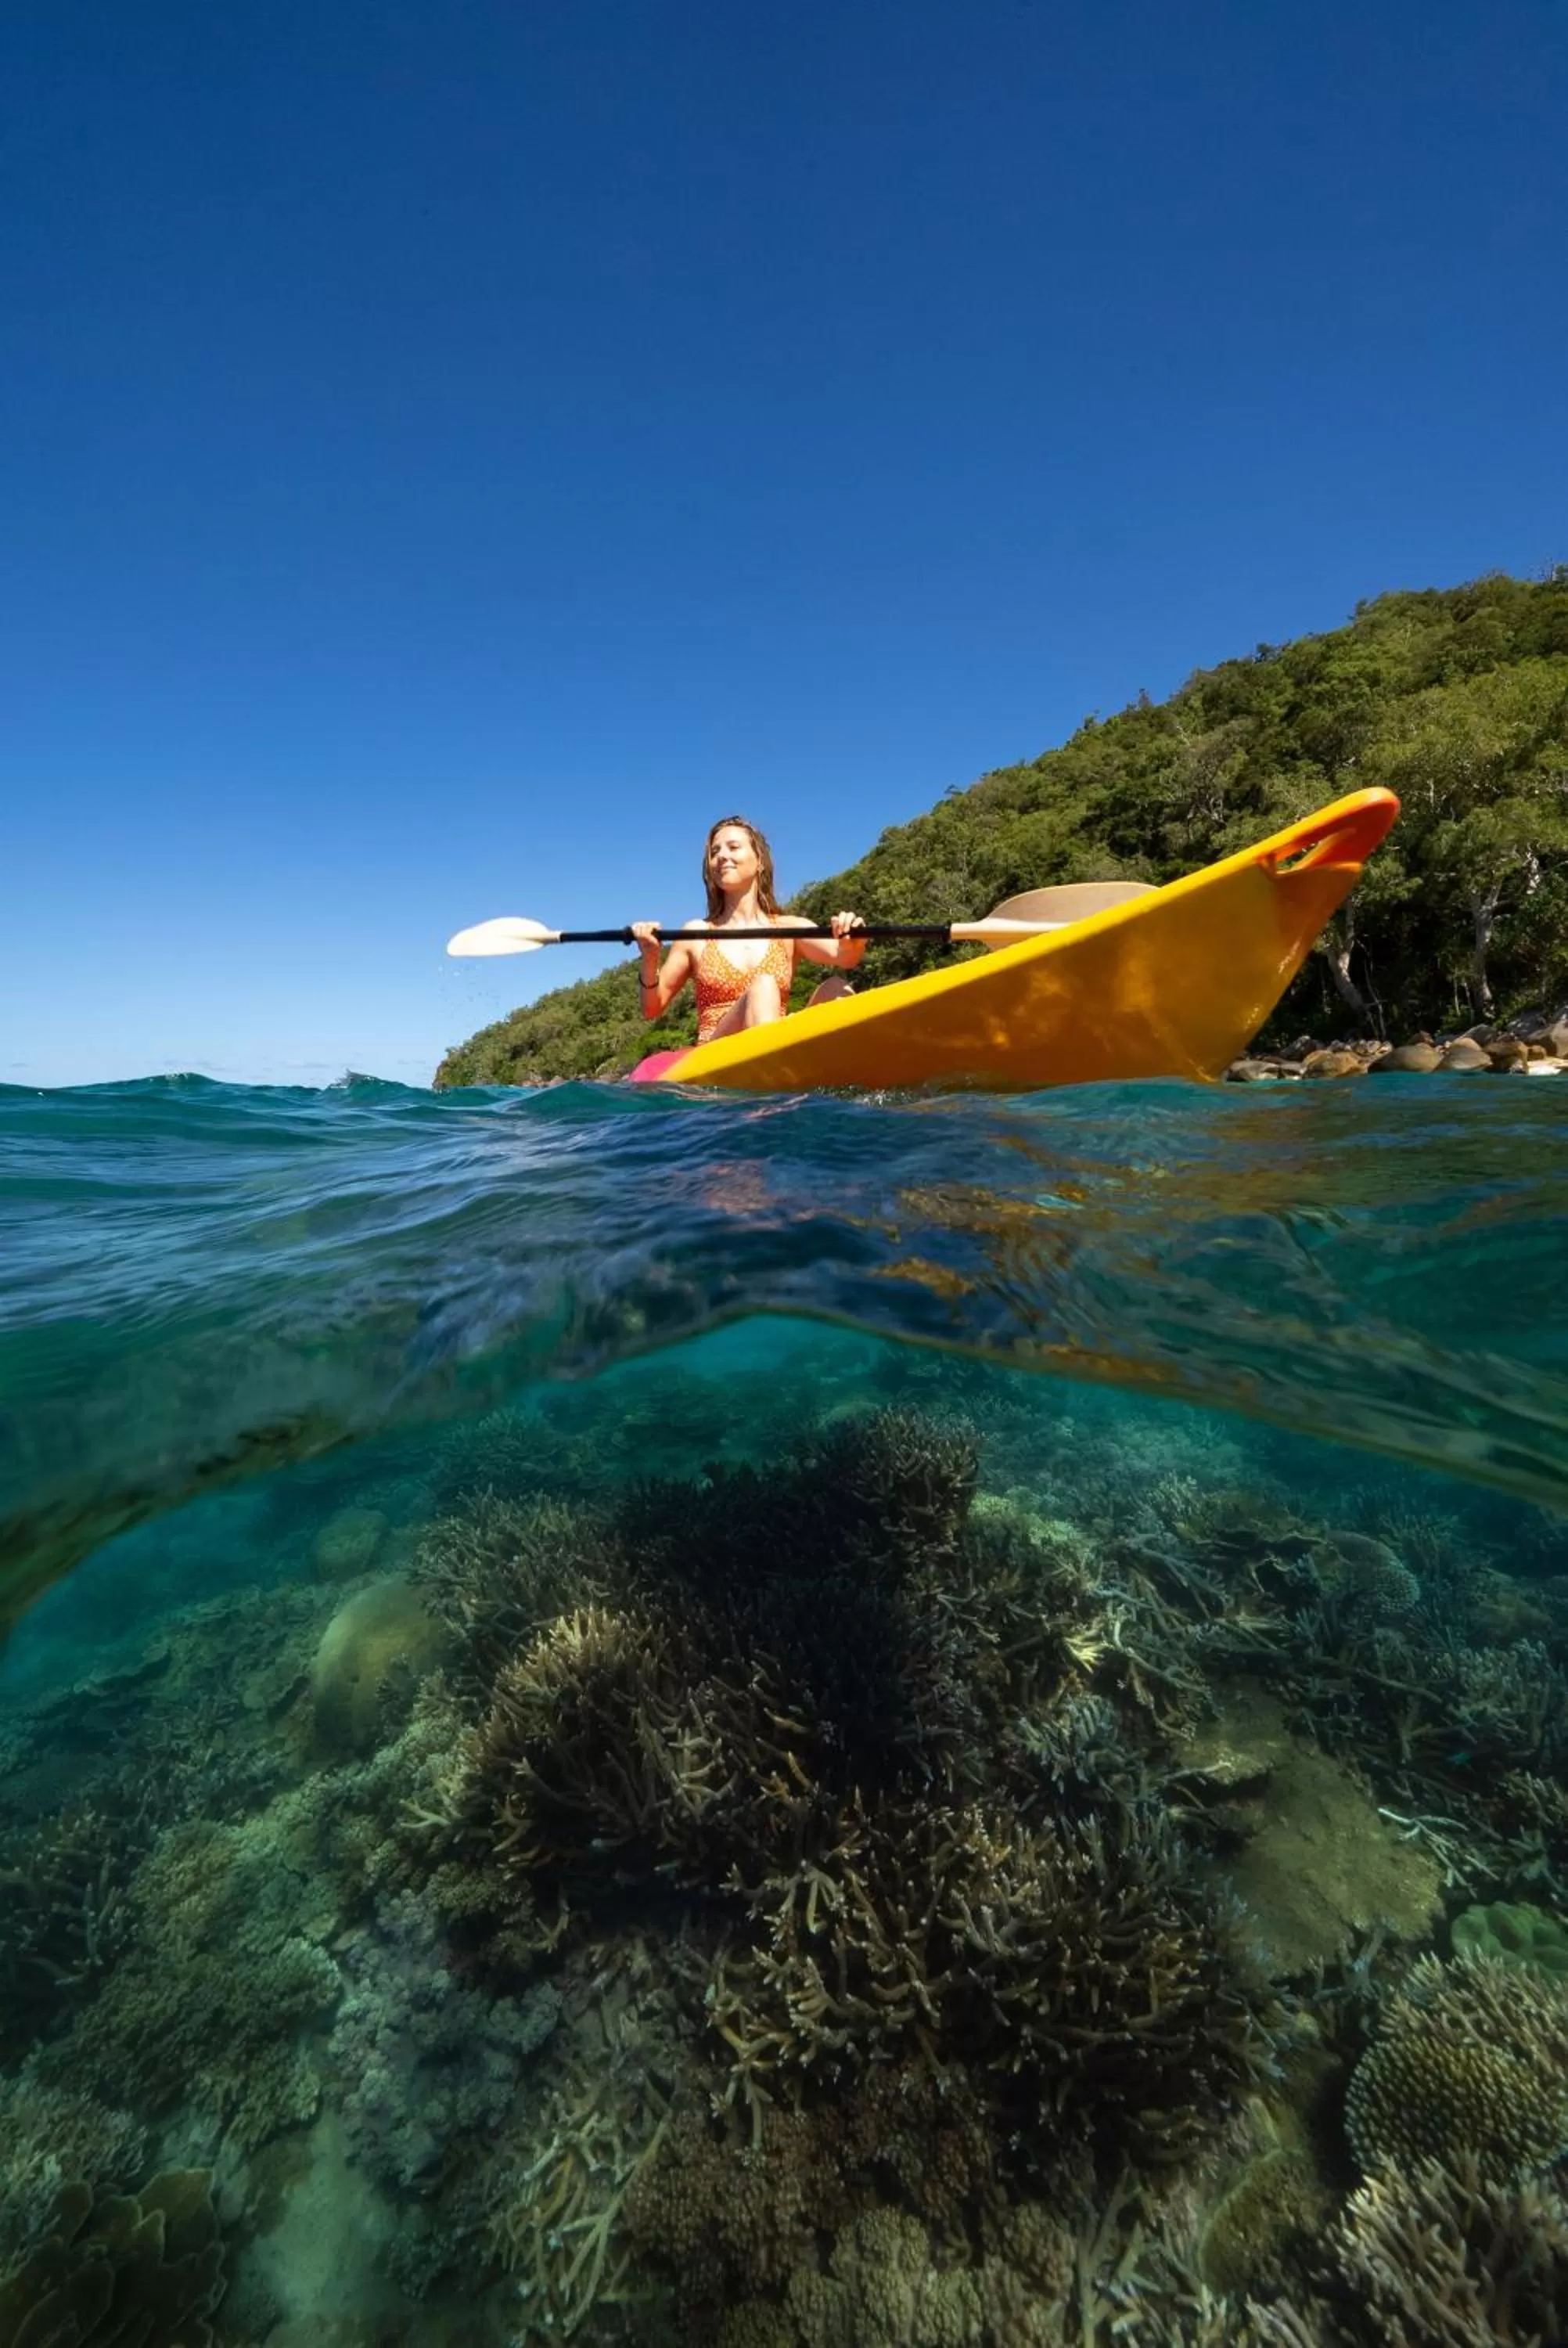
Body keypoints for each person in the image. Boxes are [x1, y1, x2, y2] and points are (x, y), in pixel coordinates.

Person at [632, 818, 866, 1043]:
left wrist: (852, 938)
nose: (722, 856)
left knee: (836, 989)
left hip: (773, 1038)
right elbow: (652, 1008)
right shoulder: (696, 934)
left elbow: (846, 957)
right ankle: (773, 1062)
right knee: (763, 986)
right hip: (719, 1053)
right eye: (715, 852)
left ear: (759, 861)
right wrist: (651, 959)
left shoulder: (788, 928)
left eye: (733, 847)